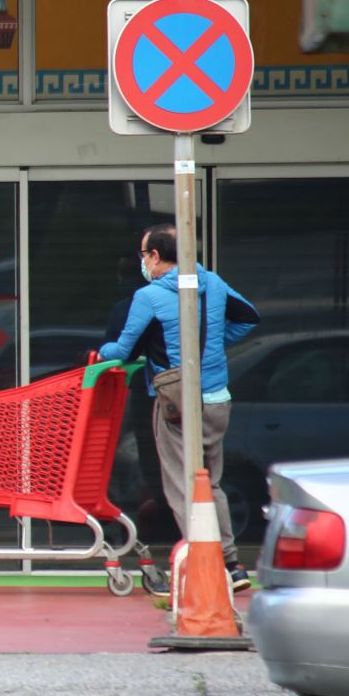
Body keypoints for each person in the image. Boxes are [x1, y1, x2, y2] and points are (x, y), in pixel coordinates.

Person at [97, 223, 259, 591]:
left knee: (181, 486)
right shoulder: (213, 282)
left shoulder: (150, 296)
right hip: (217, 398)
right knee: (209, 483)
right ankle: (233, 566)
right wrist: (214, 344)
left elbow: (123, 349)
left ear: (155, 256)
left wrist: (101, 354)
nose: (142, 262)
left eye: (143, 255)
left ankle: (207, 564)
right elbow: (248, 317)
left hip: (175, 402)